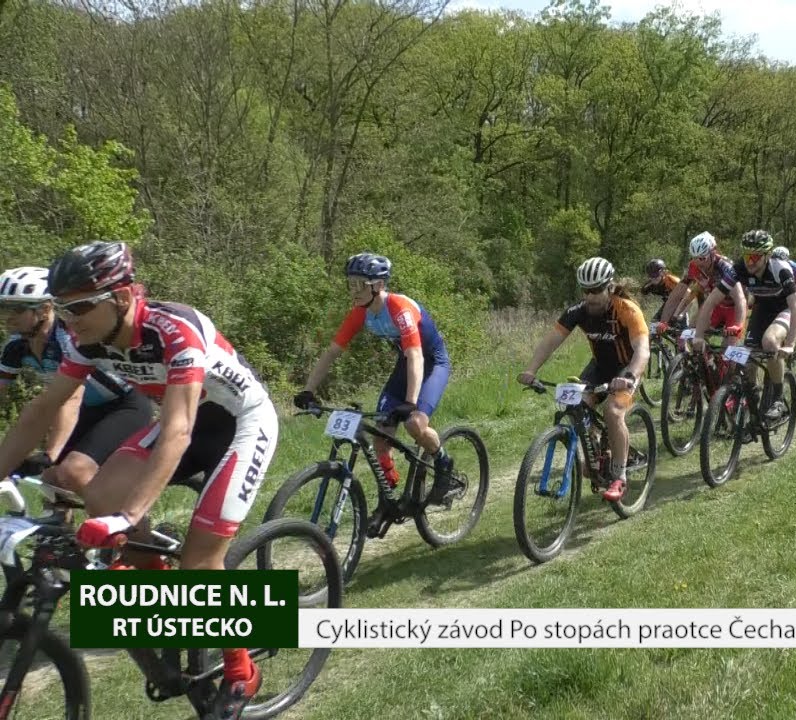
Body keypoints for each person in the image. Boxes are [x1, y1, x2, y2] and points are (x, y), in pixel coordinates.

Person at [0, 241, 278, 716]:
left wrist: (130, 516)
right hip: (182, 419)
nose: (70, 320)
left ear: (123, 298)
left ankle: (240, 669)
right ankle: (162, 610)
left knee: (199, 559)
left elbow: (177, 430)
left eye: (81, 307)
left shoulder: (174, 329)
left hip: (239, 423)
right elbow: (39, 411)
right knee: (100, 498)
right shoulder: (88, 338)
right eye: (63, 309)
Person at [294, 252, 459, 508]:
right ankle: (389, 497)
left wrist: (410, 402)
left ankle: (443, 461)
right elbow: (332, 352)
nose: (354, 290)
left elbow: (416, 354)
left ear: (379, 285)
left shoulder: (398, 309)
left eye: (360, 284)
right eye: (351, 283)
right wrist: (308, 390)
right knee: (381, 436)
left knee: (414, 424)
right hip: (406, 365)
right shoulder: (360, 313)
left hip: (432, 363)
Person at [0, 266, 153, 497]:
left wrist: (51, 454)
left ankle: (130, 527)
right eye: (3, 308)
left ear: (45, 309)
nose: (8, 317)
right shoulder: (15, 346)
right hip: (87, 410)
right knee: (51, 478)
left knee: (73, 472)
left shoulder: (70, 338)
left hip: (124, 405)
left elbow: (72, 398)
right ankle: (61, 529)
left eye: (17, 309)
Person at [518, 257, 648, 502]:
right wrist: (531, 370)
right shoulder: (577, 312)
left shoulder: (627, 310)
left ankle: (620, 478)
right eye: (586, 290)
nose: (591, 296)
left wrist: (630, 376)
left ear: (609, 286)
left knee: (613, 411)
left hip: (627, 369)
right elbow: (551, 342)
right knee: (576, 406)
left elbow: (642, 349)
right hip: (599, 368)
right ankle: (599, 451)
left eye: (597, 290)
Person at [693, 230, 796, 422]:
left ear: (767, 255)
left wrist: (791, 343)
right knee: (747, 357)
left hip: (784, 308)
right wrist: (699, 335)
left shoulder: (780, 268)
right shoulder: (739, 268)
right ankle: (753, 403)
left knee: (769, 341)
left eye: (755, 257)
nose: (750, 261)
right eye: (746, 256)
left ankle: (778, 398)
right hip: (762, 308)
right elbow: (710, 302)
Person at [657, 232, 746, 342]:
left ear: (713, 253)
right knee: (691, 336)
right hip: (715, 306)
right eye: (694, 258)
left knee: (728, 352)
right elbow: (676, 294)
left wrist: (738, 325)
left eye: (702, 258)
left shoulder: (725, 266)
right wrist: (664, 321)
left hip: (733, 307)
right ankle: (706, 358)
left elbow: (740, 299)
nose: (698, 262)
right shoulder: (693, 266)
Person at [641, 259, 686, 325]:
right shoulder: (649, 284)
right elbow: (643, 293)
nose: (653, 279)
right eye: (651, 276)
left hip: (680, 304)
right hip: (667, 304)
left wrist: (679, 312)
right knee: (654, 324)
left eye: (656, 276)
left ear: (663, 273)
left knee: (679, 325)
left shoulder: (672, 281)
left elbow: (687, 296)